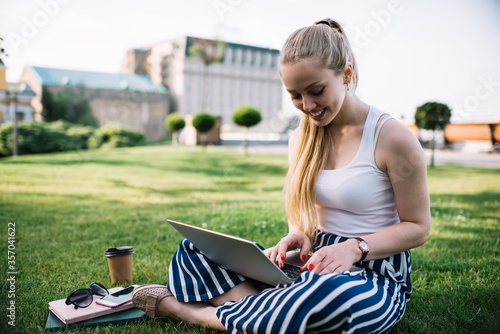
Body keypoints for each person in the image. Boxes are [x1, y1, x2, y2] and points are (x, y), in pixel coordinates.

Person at [131, 18, 431, 333]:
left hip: (371, 275)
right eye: (295, 96)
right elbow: (301, 213)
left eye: (316, 91)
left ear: (346, 74)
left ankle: (189, 311)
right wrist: (298, 233)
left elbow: (418, 227)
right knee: (193, 251)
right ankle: (274, 310)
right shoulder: (300, 139)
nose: (308, 106)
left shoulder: (392, 137)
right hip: (310, 264)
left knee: (326, 300)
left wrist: (355, 247)